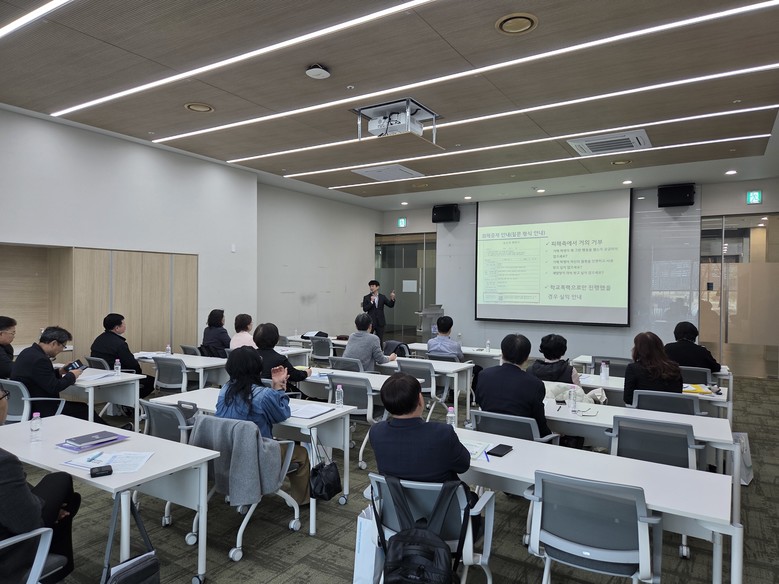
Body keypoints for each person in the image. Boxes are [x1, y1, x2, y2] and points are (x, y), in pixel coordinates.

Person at [0, 392, 81, 584]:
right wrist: (40, 504)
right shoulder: (4, 463)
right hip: (6, 558)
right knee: (61, 482)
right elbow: (28, 522)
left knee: (65, 495)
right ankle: (56, 567)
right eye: (4, 396)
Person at [215, 346, 310, 504]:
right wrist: (279, 388)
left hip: (229, 451)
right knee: (301, 454)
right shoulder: (263, 395)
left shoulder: (225, 390)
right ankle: (302, 501)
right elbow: (283, 414)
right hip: (256, 455)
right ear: (258, 368)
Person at [370, 372, 470, 483]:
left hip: (394, 494)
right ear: (420, 399)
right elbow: (463, 466)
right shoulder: (442, 433)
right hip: (441, 494)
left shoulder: (376, 432)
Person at [12, 326, 108, 424]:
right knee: (84, 409)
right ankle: (108, 430)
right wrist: (72, 375)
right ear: (54, 343)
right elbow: (54, 387)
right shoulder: (41, 359)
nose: (62, 350)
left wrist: (60, 372)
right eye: (63, 346)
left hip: (26, 403)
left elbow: (40, 377)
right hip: (42, 407)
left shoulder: (27, 352)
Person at [474, 333, 551, 436]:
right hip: (523, 440)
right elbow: (540, 423)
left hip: (489, 434)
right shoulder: (535, 384)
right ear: (527, 358)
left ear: (502, 353)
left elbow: (480, 402)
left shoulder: (484, 375)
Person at [90, 313, 155, 401]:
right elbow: (132, 365)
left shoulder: (98, 340)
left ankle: (124, 402)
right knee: (152, 381)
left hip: (101, 376)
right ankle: (129, 402)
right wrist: (138, 374)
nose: (125, 326)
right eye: (124, 324)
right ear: (117, 328)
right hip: (117, 376)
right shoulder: (119, 344)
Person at [624, 331, 683, 405]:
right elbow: (678, 395)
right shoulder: (674, 368)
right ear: (660, 347)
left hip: (642, 411)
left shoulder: (633, 368)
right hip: (670, 410)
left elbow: (628, 399)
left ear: (638, 350)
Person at [254, 323, 310, 390]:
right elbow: (295, 376)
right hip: (274, 393)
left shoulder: (248, 356)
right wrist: (306, 372)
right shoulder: (279, 359)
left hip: (251, 393)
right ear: (277, 339)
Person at [361, 280, 395, 345]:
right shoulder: (367, 297)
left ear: (377, 287)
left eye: (373, 286)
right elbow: (365, 309)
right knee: (368, 339)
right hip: (370, 322)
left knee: (380, 340)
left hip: (380, 322)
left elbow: (390, 305)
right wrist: (371, 302)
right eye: (370, 286)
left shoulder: (382, 297)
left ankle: (380, 350)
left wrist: (392, 299)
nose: (371, 288)